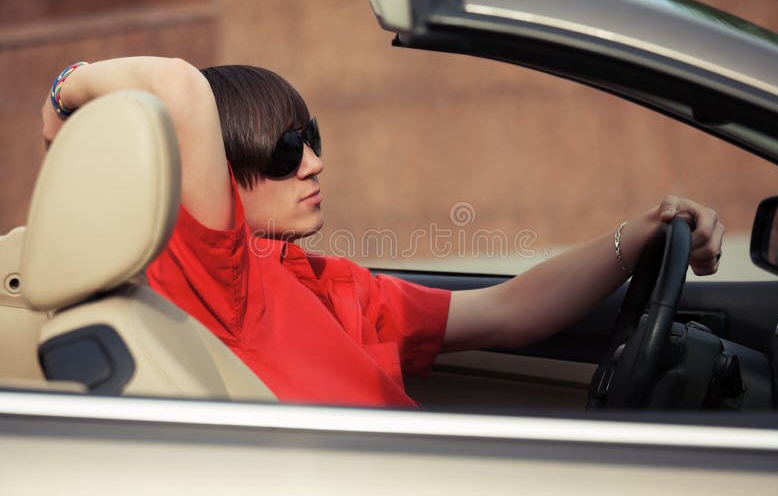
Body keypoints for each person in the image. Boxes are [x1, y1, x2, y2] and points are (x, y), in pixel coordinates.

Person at [41, 57, 725, 407]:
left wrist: (634, 238)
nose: (313, 162)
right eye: (284, 149)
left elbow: (507, 310)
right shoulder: (220, 283)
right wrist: (64, 94)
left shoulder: (328, 283)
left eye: (310, 138)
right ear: (219, 175)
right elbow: (181, 89)